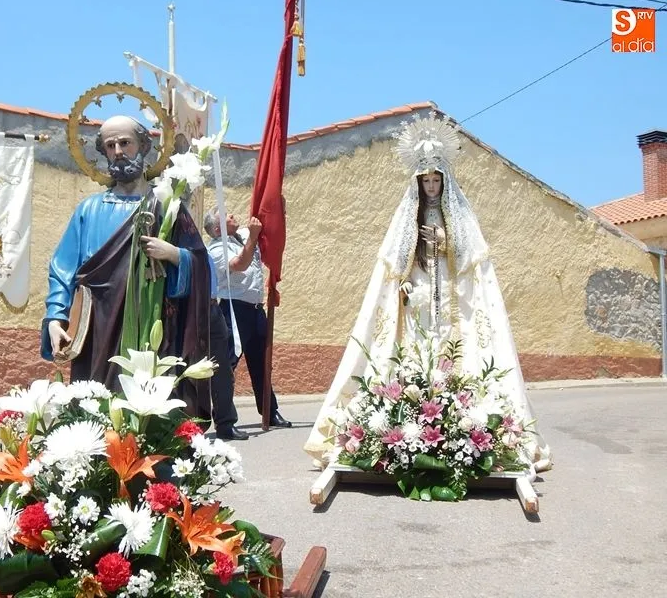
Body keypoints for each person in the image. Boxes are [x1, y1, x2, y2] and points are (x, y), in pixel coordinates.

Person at [303, 112, 551, 470]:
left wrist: (446, 242)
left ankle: (456, 413)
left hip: (450, 294)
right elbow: (398, 258)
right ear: (418, 183)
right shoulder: (409, 215)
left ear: (444, 182)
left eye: (437, 180)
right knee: (417, 347)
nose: (432, 186)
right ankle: (413, 403)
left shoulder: (459, 214)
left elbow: (468, 256)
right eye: (427, 180)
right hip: (419, 293)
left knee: (451, 346)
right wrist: (404, 280)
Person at [41, 115, 210, 418]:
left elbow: (200, 262)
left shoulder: (166, 205)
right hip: (96, 328)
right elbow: (62, 269)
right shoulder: (90, 209)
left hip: (149, 329)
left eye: (125, 142)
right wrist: (56, 318)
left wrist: (174, 254)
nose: (118, 150)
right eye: (110, 145)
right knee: (95, 408)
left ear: (143, 146)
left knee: (145, 410)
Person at [204, 207, 292, 428]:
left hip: (254, 309)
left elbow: (264, 226)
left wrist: (277, 206)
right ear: (217, 228)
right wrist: (252, 237)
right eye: (226, 216)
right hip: (233, 309)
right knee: (226, 365)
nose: (232, 215)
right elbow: (240, 264)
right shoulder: (216, 249)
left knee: (262, 361)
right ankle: (222, 419)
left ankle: (270, 412)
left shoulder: (242, 235)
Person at [207, 253, 248, 440]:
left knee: (222, 371)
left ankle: (225, 423)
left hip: (211, 307)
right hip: (190, 308)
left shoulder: (197, 244)